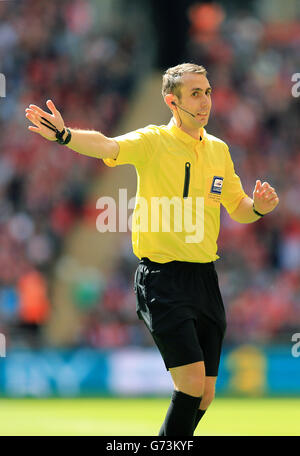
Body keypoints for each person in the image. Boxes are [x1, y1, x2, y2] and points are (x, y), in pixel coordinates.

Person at [25, 63, 279, 436]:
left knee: (205, 394)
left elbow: (237, 206)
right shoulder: (153, 141)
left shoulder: (219, 151)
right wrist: (65, 135)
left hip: (205, 278)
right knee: (191, 385)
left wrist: (258, 207)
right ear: (171, 102)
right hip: (163, 278)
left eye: (207, 91)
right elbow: (107, 145)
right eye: (195, 93)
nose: (205, 100)